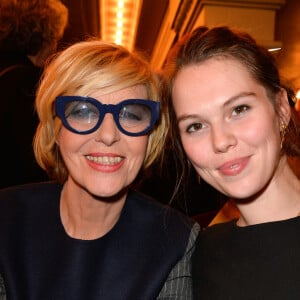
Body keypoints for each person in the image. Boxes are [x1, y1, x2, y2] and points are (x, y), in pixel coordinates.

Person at [0, 39, 199, 300]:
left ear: (151, 135)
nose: (108, 135)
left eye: (131, 114)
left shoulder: (176, 241)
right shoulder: (6, 218)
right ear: (55, 127)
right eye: (84, 111)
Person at [164, 26, 300, 299]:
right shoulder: (197, 256)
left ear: (282, 109)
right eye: (196, 125)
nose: (220, 141)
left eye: (239, 109)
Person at [0, 0, 68, 188]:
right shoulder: (33, 84)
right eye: (54, 38)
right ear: (42, 39)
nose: (55, 47)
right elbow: (37, 157)